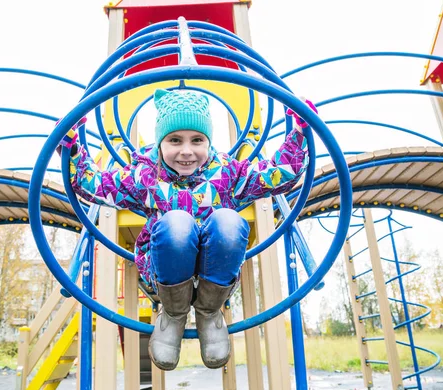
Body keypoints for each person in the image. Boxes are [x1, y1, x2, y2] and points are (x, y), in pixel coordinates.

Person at [63, 88, 312, 370]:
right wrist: (71, 150)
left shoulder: (227, 173)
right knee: (176, 221)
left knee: (229, 220)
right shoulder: (144, 177)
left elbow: (276, 175)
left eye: (197, 140)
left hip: (215, 272)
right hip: (164, 273)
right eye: (174, 140)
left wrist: (300, 135)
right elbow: (93, 185)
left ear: (208, 142)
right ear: (160, 143)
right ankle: (173, 313)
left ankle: (208, 312)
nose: (186, 150)